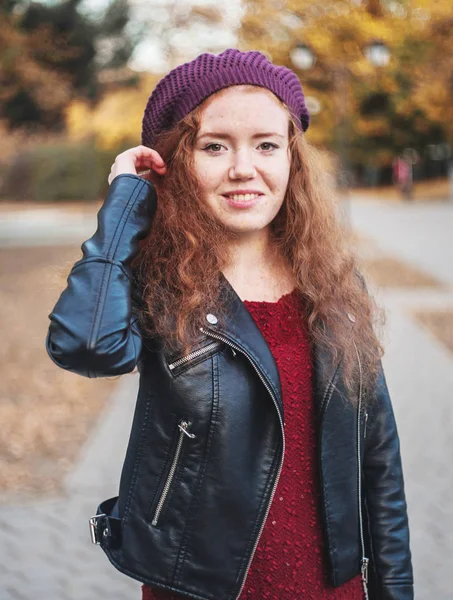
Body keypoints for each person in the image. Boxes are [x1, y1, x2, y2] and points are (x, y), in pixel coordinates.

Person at [46, 49, 413, 600]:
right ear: (176, 159)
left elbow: (378, 459)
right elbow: (87, 346)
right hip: (198, 589)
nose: (245, 167)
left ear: (292, 159)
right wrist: (126, 203)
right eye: (215, 146)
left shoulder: (334, 284)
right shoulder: (160, 282)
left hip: (332, 586)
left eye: (266, 144)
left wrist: (394, 590)